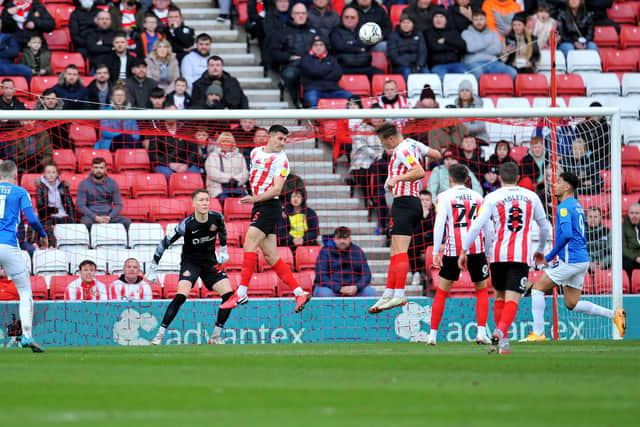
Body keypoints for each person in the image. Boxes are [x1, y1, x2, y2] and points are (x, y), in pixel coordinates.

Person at [458, 162, 550, 354]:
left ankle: (504, 344)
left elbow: (477, 225)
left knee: (499, 296)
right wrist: (540, 249)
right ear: (518, 178)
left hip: (498, 255)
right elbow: (544, 227)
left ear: (499, 178)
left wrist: (464, 250)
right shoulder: (531, 196)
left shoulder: (492, 197)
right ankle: (500, 331)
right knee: (513, 299)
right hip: (520, 255)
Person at [523, 172, 626, 342]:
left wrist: (549, 256)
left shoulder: (564, 207)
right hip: (582, 260)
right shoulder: (577, 205)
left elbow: (566, 235)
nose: (554, 185)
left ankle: (538, 333)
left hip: (570, 260)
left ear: (567, 187)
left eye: (558, 182)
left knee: (537, 288)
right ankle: (615, 314)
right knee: (572, 304)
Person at [220, 125, 312, 312]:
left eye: (285, 140)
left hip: (270, 205)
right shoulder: (255, 153)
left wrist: (254, 198)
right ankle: (299, 292)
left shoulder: (282, 160)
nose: (282, 143)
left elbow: (277, 189)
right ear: (269, 137)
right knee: (271, 256)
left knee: (249, 244)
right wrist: (254, 198)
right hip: (260, 205)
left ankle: (242, 292)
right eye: (279, 138)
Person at [368, 122, 441, 313]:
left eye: (384, 143)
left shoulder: (402, 149)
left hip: (406, 203)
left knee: (400, 251)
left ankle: (399, 294)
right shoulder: (413, 143)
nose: (385, 148)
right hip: (407, 203)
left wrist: (395, 179)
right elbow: (436, 155)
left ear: (390, 138)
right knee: (394, 251)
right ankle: (389, 293)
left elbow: (419, 171)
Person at [147, 189, 234, 345]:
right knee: (181, 296)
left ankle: (215, 337)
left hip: (210, 262)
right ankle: (159, 335)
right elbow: (164, 243)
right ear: (193, 203)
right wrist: (153, 267)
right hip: (190, 262)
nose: (205, 203)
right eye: (201, 200)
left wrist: (224, 249)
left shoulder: (217, 217)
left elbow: (222, 231)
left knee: (229, 296)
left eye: (207, 200)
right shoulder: (186, 225)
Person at [430, 164, 493, 345]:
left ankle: (432, 335)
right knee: (481, 290)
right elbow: (488, 227)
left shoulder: (443, 197)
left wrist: (435, 251)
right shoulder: (478, 197)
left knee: (442, 291)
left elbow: (439, 224)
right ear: (467, 179)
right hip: (476, 247)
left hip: (452, 249)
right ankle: (481, 332)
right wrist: (486, 251)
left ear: (449, 179)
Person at [0, 160, 48, 352]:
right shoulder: (20, 192)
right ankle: (27, 336)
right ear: (15, 176)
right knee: (25, 292)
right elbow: (33, 219)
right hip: (10, 245)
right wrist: (43, 236)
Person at [266, 3, 317, 107]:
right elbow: (274, 53)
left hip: (311, 63)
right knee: (291, 74)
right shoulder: (282, 32)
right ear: (292, 15)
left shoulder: (313, 31)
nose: (301, 16)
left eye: (303, 13)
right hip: (291, 65)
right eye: (298, 13)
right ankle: (296, 100)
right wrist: (290, 57)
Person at [313, 226, 375, 297]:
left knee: (370, 292)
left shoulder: (358, 251)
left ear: (350, 239)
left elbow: (367, 275)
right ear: (334, 239)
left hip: (354, 289)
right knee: (325, 293)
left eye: (345, 238)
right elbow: (321, 276)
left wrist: (357, 287)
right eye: (339, 238)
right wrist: (338, 288)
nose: (342, 241)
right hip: (331, 288)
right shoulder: (325, 252)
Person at [330, 6, 384, 81]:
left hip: (365, 67)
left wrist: (351, 44)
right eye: (346, 17)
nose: (349, 20)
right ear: (342, 18)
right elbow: (340, 46)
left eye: (352, 17)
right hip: (345, 68)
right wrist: (360, 47)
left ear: (358, 19)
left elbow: (368, 43)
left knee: (380, 75)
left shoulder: (364, 30)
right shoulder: (336, 32)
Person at [462, 10, 517, 81]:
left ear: (486, 20)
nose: (479, 22)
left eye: (481, 19)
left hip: (492, 63)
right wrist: (487, 42)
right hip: (474, 63)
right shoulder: (466, 33)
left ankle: (502, 91)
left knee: (512, 72)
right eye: (476, 19)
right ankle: (481, 92)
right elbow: (471, 48)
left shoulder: (493, 33)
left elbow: (497, 49)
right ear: (472, 21)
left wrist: (477, 46)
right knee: (478, 73)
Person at [77, 157, 131, 229]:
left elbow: (118, 204)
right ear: (92, 169)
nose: (98, 170)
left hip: (108, 215)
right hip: (91, 217)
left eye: (101, 168)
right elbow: (81, 206)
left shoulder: (113, 183)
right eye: (96, 168)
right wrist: (95, 217)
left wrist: (110, 217)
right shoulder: (83, 184)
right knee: (85, 223)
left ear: (105, 169)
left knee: (127, 222)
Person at [299, 36, 352, 108]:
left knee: (351, 97)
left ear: (325, 47)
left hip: (333, 90)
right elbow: (314, 72)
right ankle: (314, 119)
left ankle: (350, 119)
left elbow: (337, 74)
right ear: (311, 47)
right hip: (314, 90)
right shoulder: (305, 59)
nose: (318, 47)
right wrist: (328, 68)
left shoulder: (332, 58)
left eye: (321, 45)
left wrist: (319, 72)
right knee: (312, 99)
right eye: (315, 45)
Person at [36, 164, 76, 246]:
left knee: (71, 225)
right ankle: (50, 246)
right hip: (48, 216)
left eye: (53, 172)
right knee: (46, 225)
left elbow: (70, 205)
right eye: (48, 172)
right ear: (44, 174)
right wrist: (53, 210)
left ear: (57, 174)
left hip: (63, 215)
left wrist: (72, 220)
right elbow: (40, 207)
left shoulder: (63, 187)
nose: (51, 175)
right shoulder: (41, 188)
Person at [204, 132, 249, 199]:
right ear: (219, 143)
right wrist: (229, 179)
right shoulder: (213, 156)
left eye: (228, 141)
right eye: (223, 141)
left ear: (233, 144)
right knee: (226, 200)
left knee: (246, 201)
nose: (226, 144)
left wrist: (236, 180)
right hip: (218, 189)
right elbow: (212, 173)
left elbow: (245, 173)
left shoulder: (239, 156)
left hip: (237, 187)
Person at [426, 10, 467, 81]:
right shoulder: (428, 33)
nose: (438, 19)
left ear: (446, 20)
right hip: (438, 65)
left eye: (441, 17)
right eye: (436, 17)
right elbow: (434, 47)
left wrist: (446, 40)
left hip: (455, 64)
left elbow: (463, 46)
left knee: (464, 78)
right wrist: (453, 48)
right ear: (432, 19)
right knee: (441, 80)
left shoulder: (453, 32)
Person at [387, 14, 428, 82]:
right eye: (403, 22)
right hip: (401, 66)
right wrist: (409, 65)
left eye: (408, 22)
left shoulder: (419, 34)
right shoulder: (393, 35)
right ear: (400, 24)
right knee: (407, 72)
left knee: (427, 74)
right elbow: (393, 55)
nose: (406, 25)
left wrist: (419, 65)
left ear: (413, 24)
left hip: (417, 65)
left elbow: (423, 51)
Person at [408, 189, 434, 287]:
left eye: (427, 200)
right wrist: (422, 216)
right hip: (419, 238)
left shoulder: (435, 212)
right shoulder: (414, 213)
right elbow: (415, 229)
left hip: (432, 239)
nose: (424, 202)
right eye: (422, 200)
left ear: (431, 201)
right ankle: (416, 273)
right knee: (412, 246)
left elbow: (434, 227)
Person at [585, 206, 611, 272]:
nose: (593, 219)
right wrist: (588, 264)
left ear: (600, 218)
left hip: (603, 265)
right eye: (590, 217)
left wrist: (603, 263)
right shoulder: (580, 232)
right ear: (586, 218)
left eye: (595, 217)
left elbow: (612, 253)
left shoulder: (607, 232)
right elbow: (577, 253)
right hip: (585, 265)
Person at [622, 203, 640, 281]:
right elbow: (623, 248)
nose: (634, 216)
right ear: (628, 214)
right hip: (630, 258)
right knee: (626, 264)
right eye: (632, 213)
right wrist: (636, 258)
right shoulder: (622, 227)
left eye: (637, 213)